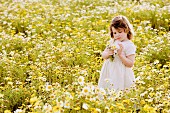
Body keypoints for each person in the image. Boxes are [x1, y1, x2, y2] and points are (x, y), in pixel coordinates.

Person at [98, 15, 136, 92]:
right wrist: (108, 53)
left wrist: (121, 55)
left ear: (127, 30)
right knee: (107, 89)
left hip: (121, 73)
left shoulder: (129, 45)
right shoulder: (113, 42)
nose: (117, 35)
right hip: (109, 71)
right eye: (114, 33)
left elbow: (130, 64)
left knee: (120, 90)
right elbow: (104, 55)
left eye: (120, 32)